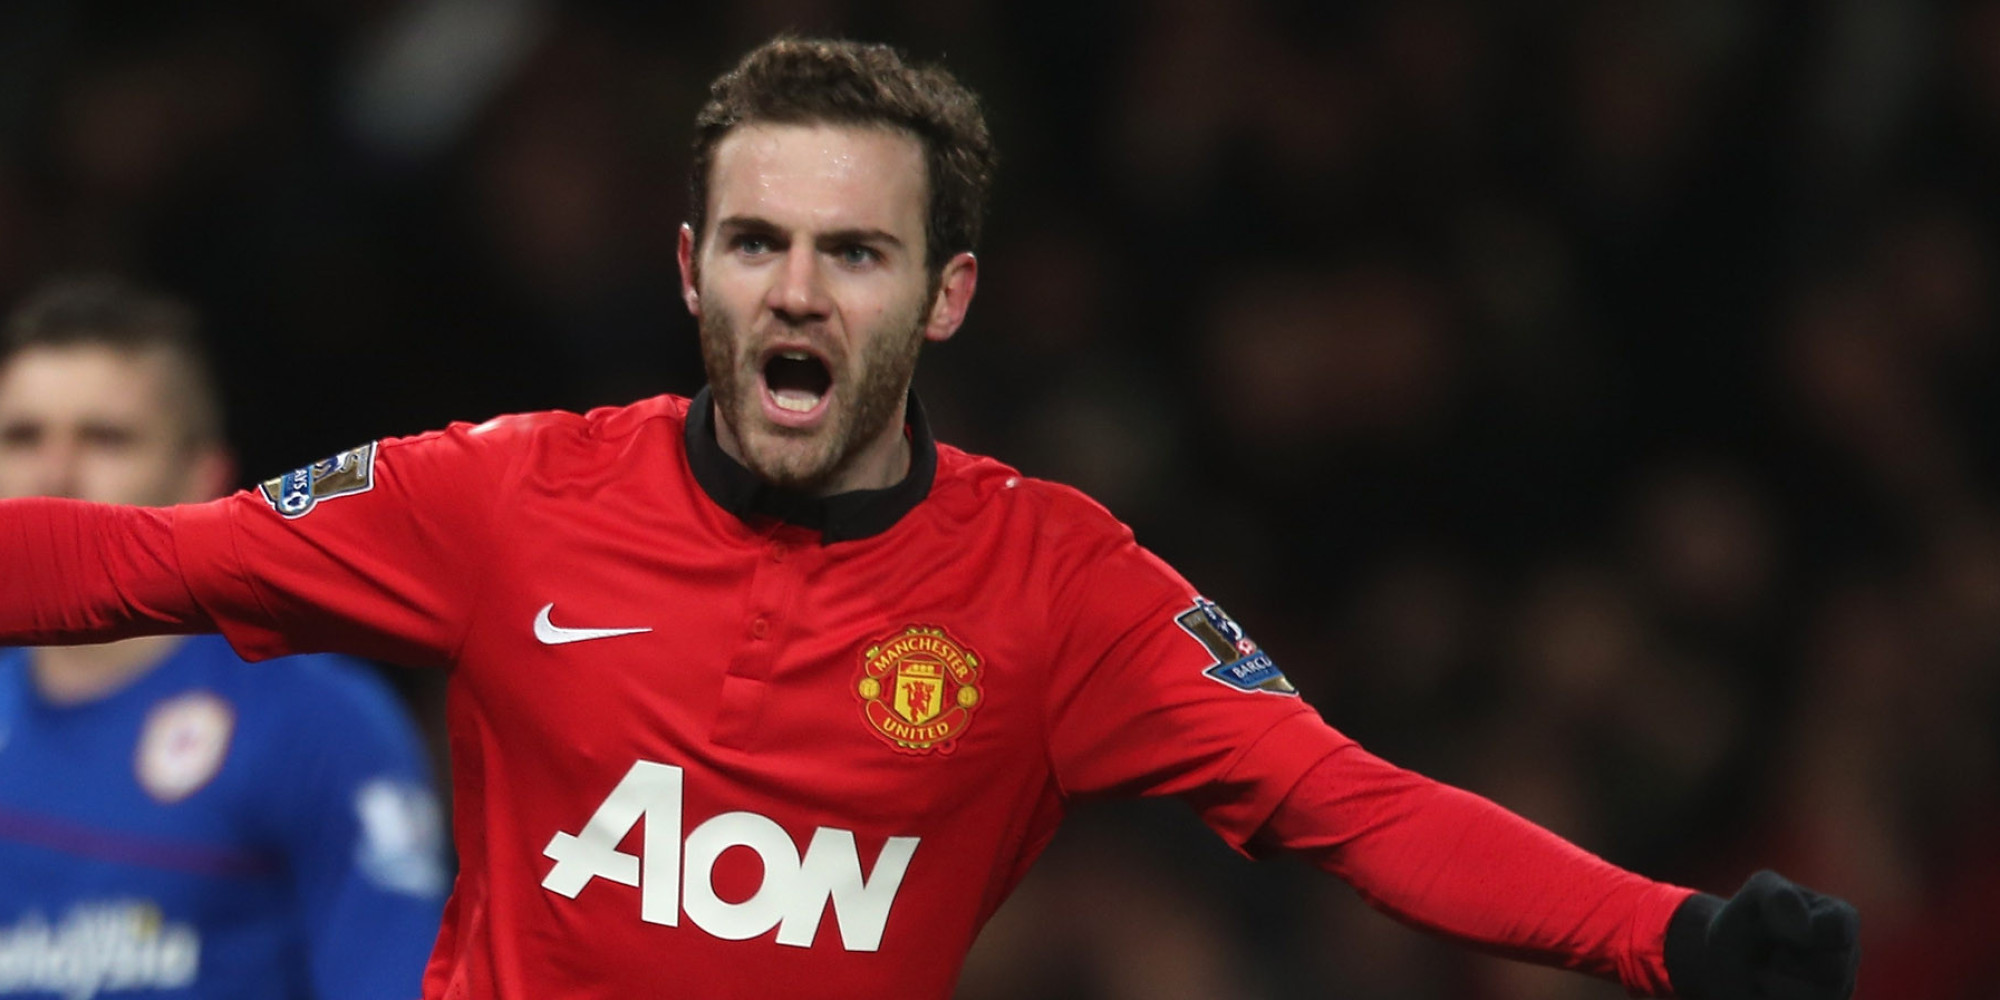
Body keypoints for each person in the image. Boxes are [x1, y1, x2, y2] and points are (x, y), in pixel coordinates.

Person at [0, 39, 1858, 1000]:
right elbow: (134, 562)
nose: (799, 293)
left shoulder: (1060, 591)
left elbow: (1346, 805)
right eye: (758, 245)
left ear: (944, 296)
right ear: (691, 270)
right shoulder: (502, 495)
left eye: (855, 253)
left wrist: (1666, 938)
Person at [0, 278, 448, 999]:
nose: (53, 473)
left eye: (105, 438)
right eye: (21, 436)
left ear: (204, 480)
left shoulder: (315, 720)